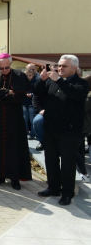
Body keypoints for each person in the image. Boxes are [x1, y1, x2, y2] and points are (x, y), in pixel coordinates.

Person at [35, 55, 90, 205]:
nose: (60, 68)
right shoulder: (52, 82)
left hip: (70, 131)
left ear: (74, 68)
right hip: (52, 128)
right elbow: (37, 93)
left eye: (64, 66)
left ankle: (67, 193)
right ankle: (53, 187)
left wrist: (58, 79)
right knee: (51, 160)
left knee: (67, 163)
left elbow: (75, 94)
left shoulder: (81, 84)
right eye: (59, 66)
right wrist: (42, 79)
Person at [0, 53, 32, 190]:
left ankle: (15, 178)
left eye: (7, 68)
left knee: (14, 146)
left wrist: (1, 95)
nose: (4, 71)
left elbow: (20, 95)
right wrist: (8, 93)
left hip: (14, 116)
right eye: (1, 68)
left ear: (10, 64)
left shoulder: (19, 76)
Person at [23, 69, 37, 140]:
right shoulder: (22, 82)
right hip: (24, 103)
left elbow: (37, 93)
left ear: (33, 75)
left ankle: (32, 134)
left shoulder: (35, 83)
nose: (28, 77)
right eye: (27, 75)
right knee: (25, 119)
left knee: (32, 120)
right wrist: (24, 94)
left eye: (30, 75)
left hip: (32, 104)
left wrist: (31, 94)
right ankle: (26, 133)